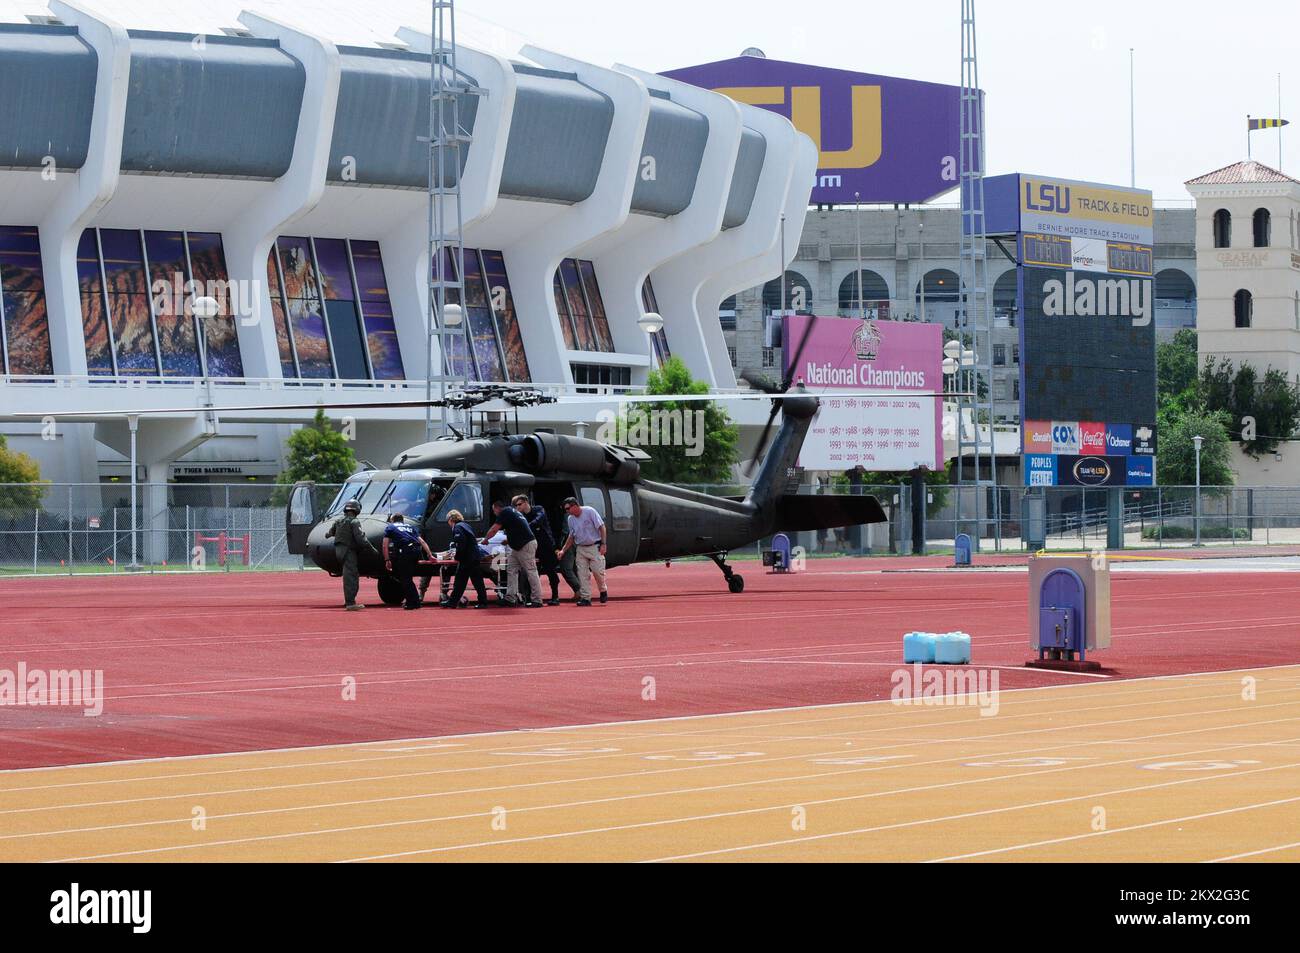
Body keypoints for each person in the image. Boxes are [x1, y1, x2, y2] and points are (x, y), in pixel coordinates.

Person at [482, 499, 543, 608]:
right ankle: (510, 597)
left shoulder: (504, 512)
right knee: (511, 569)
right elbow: (518, 529)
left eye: (494, 510)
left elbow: (494, 529)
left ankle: (537, 599)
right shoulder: (512, 512)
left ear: (496, 508)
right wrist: (508, 540)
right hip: (518, 546)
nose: (494, 513)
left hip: (525, 545)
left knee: (531, 571)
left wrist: (486, 539)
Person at [515, 495, 573, 606]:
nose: (518, 507)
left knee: (550, 571)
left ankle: (555, 596)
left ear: (526, 502)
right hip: (532, 547)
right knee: (529, 572)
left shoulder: (538, 509)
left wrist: (524, 526)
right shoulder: (521, 516)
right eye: (516, 505)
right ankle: (529, 597)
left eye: (519, 504)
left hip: (546, 546)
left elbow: (538, 520)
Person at [325, 498, 378, 610]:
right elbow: (361, 539)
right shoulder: (354, 521)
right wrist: (372, 550)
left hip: (339, 551)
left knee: (348, 575)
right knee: (351, 577)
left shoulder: (339, 521)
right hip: (348, 551)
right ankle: (351, 603)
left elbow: (329, 533)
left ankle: (348, 600)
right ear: (357, 510)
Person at [556, 496, 607, 606]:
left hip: (594, 546)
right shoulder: (570, 519)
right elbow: (571, 536)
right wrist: (563, 550)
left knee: (597, 571)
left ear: (575, 506)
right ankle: (585, 598)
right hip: (581, 548)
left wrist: (603, 544)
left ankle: (603, 589)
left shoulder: (589, 511)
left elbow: (601, 527)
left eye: (568, 508)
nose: (567, 511)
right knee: (582, 574)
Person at [382, 513, 433, 610]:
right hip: (416, 551)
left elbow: (385, 545)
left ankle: (413, 602)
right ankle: (413, 601)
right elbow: (422, 541)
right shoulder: (410, 527)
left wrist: (387, 559)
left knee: (405, 578)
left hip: (405, 551)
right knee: (407, 577)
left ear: (392, 520)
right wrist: (430, 555)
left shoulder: (390, 527)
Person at [442, 510, 488, 609]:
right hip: (474, 556)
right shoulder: (466, 525)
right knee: (477, 581)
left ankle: (453, 602)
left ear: (451, 519)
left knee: (460, 581)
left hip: (467, 558)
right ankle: (482, 602)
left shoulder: (457, 528)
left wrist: (457, 556)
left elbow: (460, 544)